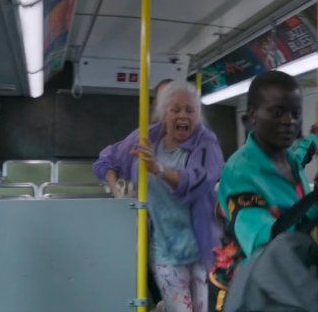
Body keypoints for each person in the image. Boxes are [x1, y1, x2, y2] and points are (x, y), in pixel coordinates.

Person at [94, 80, 224, 312]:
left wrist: (159, 169)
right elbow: (107, 160)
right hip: (160, 245)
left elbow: (197, 181)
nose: (181, 114)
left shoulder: (204, 142)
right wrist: (118, 194)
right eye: (173, 106)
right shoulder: (144, 138)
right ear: (161, 109)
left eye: (188, 108)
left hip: (199, 244)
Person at [210, 72, 318, 293]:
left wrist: (317, 193)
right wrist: (314, 208)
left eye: (295, 113)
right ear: (253, 115)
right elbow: (264, 244)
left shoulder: (288, 158)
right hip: (255, 289)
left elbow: (301, 155)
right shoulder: (241, 172)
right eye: (278, 112)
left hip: (291, 277)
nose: (289, 121)